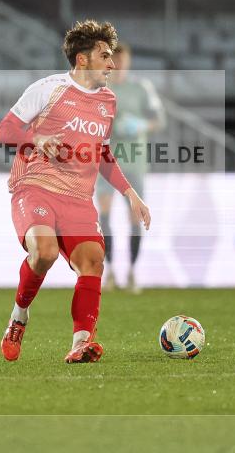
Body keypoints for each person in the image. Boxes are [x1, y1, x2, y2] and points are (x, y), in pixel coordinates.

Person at [0, 20, 151, 363]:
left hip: (78, 197)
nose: (111, 64)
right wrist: (36, 139)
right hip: (35, 186)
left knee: (93, 261)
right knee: (45, 252)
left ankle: (81, 343)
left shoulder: (108, 101)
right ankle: (19, 316)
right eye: (104, 56)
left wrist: (129, 193)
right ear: (82, 60)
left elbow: (103, 153)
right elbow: (3, 130)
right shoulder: (48, 89)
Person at [96, 42, 165, 294]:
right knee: (103, 214)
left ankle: (133, 272)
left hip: (134, 161)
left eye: (124, 61)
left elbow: (159, 119)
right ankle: (111, 271)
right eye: (116, 61)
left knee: (134, 216)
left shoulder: (141, 88)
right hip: (106, 161)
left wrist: (141, 125)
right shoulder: (99, 88)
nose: (120, 66)